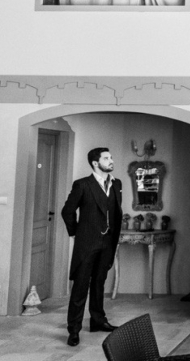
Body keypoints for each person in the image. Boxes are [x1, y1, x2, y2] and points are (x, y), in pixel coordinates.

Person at [61, 148, 122, 347]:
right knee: (80, 286)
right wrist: (77, 233)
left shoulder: (116, 184)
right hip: (87, 244)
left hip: (107, 244)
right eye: (106, 158)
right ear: (96, 163)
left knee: (99, 283)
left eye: (111, 157)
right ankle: (74, 330)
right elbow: (67, 211)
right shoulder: (82, 185)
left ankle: (98, 321)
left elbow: (114, 212)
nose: (111, 160)